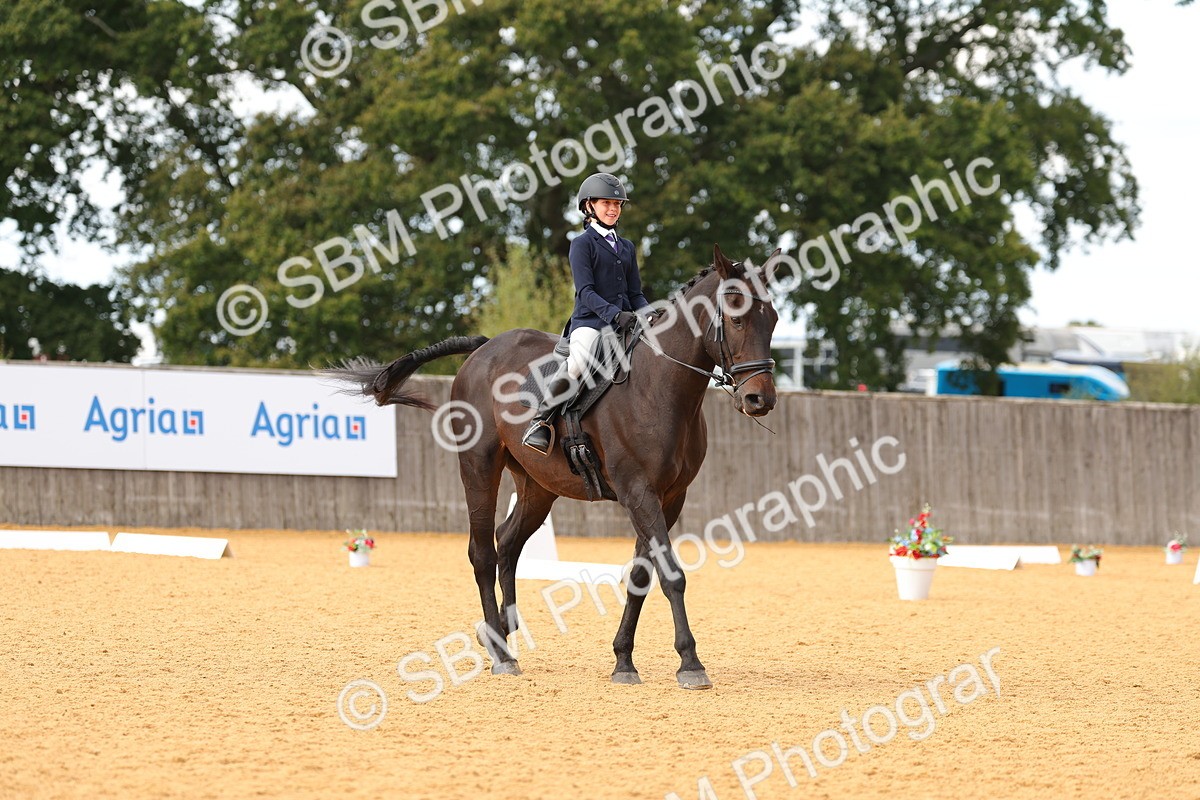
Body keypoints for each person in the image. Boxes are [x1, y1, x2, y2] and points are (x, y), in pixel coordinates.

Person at [522, 172, 651, 454]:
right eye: (607, 203)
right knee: (578, 363)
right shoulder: (582, 244)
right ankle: (540, 421)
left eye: (617, 204)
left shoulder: (627, 247)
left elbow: (635, 293)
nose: (613, 209)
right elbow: (586, 292)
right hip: (590, 322)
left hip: (625, 323)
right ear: (589, 206)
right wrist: (615, 314)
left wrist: (650, 315)